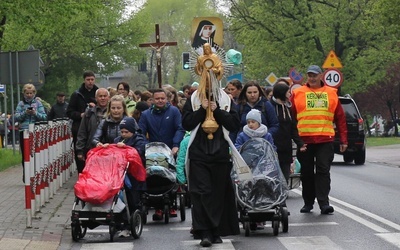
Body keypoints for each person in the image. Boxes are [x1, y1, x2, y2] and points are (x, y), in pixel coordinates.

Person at [182, 42, 240, 247]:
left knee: (217, 193)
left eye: (213, 74)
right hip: (199, 152)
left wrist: (217, 111)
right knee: (201, 193)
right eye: (206, 73)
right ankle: (204, 231)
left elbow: (234, 124)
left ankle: (216, 231)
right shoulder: (194, 99)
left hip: (220, 153)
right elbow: (186, 123)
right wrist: (202, 110)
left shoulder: (227, 99)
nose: (210, 78)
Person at [291, 65, 348, 215]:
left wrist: (343, 140)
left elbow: (340, 118)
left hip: (325, 139)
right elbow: (292, 118)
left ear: (321, 75)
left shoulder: (331, 93)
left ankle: (324, 203)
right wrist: (296, 140)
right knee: (307, 173)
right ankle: (308, 202)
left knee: (323, 171)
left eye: (315, 75)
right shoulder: (298, 93)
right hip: (305, 141)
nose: (312, 77)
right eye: (309, 75)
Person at [138, 88, 185, 220]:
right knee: (154, 175)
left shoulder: (174, 111)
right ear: (152, 100)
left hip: (170, 149)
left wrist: (176, 145)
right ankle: (157, 206)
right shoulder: (146, 114)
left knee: (170, 175)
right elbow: (140, 132)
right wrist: (144, 147)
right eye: (157, 99)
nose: (160, 101)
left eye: (162, 98)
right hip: (152, 151)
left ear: (167, 99)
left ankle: (171, 204)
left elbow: (180, 128)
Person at [113, 117, 147, 237]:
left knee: (133, 200)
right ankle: (119, 222)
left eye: (126, 132)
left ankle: (131, 223)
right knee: (119, 199)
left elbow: (139, 151)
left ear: (132, 131)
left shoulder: (139, 140)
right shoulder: (118, 140)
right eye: (122, 132)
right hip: (120, 175)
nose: (124, 134)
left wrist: (126, 148)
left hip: (134, 176)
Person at [270, 81, 306, 183]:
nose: (290, 94)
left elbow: (293, 128)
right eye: (288, 92)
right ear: (282, 93)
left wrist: (300, 143)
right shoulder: (270, 107)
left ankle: (282, 196)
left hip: (286, 147)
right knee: (273, 177)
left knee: (285, 177)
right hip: (273, 146)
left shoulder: (288, 108)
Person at [67, 70, 99, 174]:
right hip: (79, 127)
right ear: (84, 80)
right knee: (80, 151)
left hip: (95, 126)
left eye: (92, 79)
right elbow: (69, 112)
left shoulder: (99, 93)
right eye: (88, 80)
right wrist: (80, 115)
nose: (90, 82)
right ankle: (82, 173)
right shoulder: (77, 95)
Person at [14, 84, 47, 181]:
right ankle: (26, 174)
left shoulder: (38, 103)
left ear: (34, 93)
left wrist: (35, 113)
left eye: (31, 93)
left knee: (36, 153)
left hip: (35, 131)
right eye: (27, 93)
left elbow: (44, 117)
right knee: (25, 154)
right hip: (24, 131)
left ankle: (35, 174)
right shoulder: (21, 104)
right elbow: (16, 117)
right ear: (24, 93)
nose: (29, 95)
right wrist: (25, 113)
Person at [75, 88, 110, 173]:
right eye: (100, 96)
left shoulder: (113, 112)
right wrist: (80, 150)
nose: (102, 98)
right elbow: (82, 132)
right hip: (92, 149)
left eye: (105, 96)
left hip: (109, 149)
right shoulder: (89, 113)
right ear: (96, 98)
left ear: (108, 97)